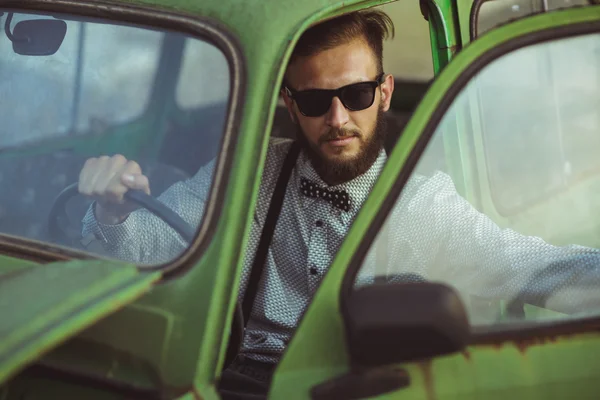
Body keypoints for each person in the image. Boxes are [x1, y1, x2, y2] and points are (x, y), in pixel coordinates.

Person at [78, 10, 600, 398]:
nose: (336, 118)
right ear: (290, 104)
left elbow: (538, 268)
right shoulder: (249, 176)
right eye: (313, 100)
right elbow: (153, 244)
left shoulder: (422, 207)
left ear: (385, 92)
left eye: (355, 95)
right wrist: (114, 211)